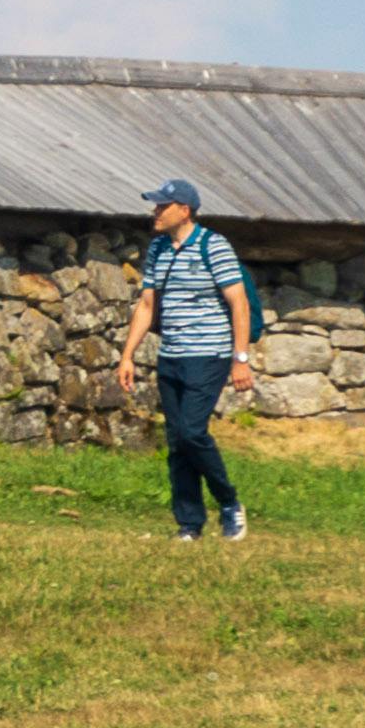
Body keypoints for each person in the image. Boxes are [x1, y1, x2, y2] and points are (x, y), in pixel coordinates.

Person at [124, 179, 256, 543]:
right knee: (178, 442)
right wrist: (127, 355)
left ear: (184, 210)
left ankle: (229, 503)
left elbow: (239, 304)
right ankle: (189, 524)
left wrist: (240, 358)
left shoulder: (214, 246)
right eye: (155, 206)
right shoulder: (159, 250)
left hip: (209, 355)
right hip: (172, 357)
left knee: (193, 432)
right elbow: (148, 305)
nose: (155, 212)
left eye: (162, 206)